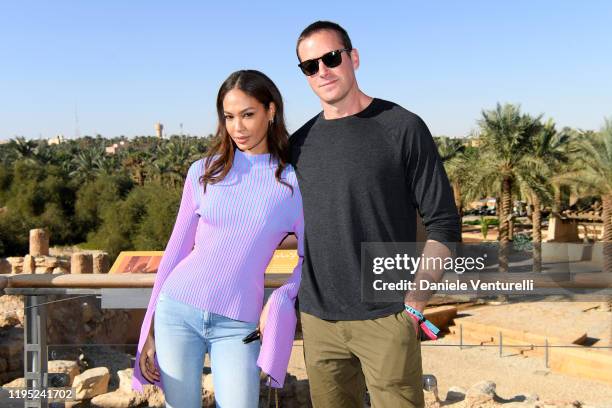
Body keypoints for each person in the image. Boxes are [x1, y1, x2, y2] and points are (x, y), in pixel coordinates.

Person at [290, 21, 461, 407]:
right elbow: (289, 226)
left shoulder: (402, 128)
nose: (323, 71)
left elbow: (444, 224)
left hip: (388, 316)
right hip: (319, 324)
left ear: (353, 57)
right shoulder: (299, 144)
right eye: (310, 66)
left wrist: (415, 301)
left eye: (331, 58)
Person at [131, 69, 304, 408]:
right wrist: (150, 328)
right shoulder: (203, 172)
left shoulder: (290, 183)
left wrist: (283, 297)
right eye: (229, 116)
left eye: (247, 114)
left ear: (271, 112)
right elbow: (175, 252)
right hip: (177, 311)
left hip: (239, 324)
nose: (237, 127)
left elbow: (309, 257)